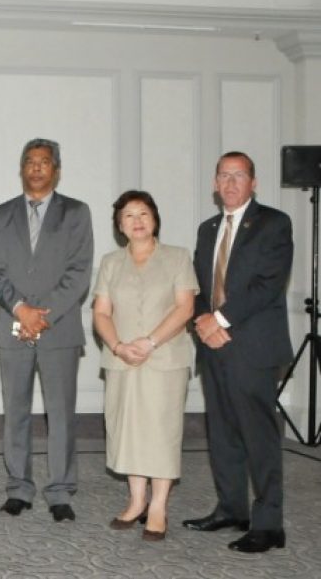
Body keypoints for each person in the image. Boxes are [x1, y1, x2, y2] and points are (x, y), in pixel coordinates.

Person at [182, 152, 293, 554]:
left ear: (254, 182)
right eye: (223, 176)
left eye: (239, 175)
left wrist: (220, 321)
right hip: (212, 347)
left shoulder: (274, 223)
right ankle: (232, 509)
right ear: (214, 183)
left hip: (252, 348)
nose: (230, 183)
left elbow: (267, 284)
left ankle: (268, 525)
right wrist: (201, 322)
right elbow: (197, 285)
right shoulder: (208, 228)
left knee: (259, 437)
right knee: (223, 433)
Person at [0, 138, 93, 522]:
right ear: (21, 169)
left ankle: (61, 491)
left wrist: (41, 315)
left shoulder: (77, 213)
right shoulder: (1, 214)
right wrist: (21, 310)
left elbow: (80, 272)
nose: (36, 168)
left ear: (56, 170)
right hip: (12, 324)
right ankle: (19, 487)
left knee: (60, 413)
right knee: (15, 411)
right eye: (29, 162)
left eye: (44, 162)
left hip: (59, 328)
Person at [91, 190, 196, 542]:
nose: (136, 221)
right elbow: (101, 313)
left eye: (143, 214)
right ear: (119, 225)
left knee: (162, 432)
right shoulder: (110, 263)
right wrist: (119, 346)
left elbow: (184, 308)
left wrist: (149, 342)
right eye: (128, 216)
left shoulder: (178, 258)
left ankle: (158, 507)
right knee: (129, 430)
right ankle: (136, 501)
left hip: (164, 359)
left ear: (155, 219)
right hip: (122, 361)